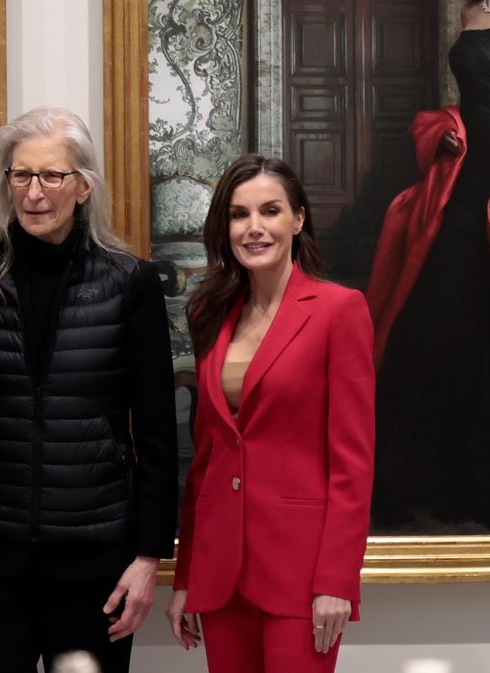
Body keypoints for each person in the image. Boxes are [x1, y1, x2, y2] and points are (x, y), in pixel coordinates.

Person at [0, 106, 178, 673]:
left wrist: (149, 554)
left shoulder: (131, 283)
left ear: (82, 186)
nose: (34, 192)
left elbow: (156, 433)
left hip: (96, 553)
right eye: (21, 175)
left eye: (52, 176)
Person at [166, 155, 375, 673]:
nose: (254, 228)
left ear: (298, 218)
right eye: (239, 215)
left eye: (270, 211)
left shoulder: (338, 311)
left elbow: (353, 466)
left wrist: (336, 582)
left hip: (301, 577)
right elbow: (207, 462)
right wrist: (188, 576)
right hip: (220, 574)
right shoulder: (209, 312)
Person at [368, 0, 490, 532]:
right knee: (440, 310)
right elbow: (470, 99)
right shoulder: (468, 13)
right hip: (464, 166)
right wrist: (448, 133)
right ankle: (429, 477)